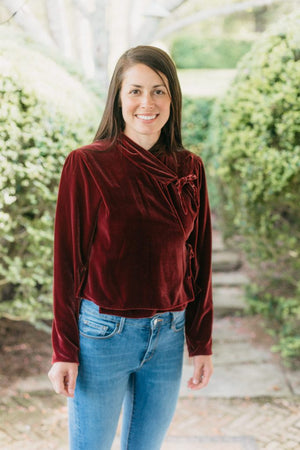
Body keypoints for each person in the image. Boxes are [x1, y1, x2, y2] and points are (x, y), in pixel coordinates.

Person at [48, 45, 213, 450]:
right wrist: (63, 350)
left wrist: (201, 340)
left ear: (171, 98)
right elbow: (68, 265)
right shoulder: (86, 164)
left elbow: (200, 257)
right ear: (118, 99)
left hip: (169, 334)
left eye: (159, 91)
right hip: (104, 335)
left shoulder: (190, 168)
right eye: (135, 91)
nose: (147, 102)